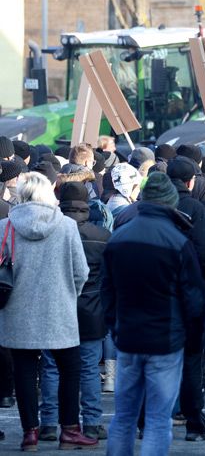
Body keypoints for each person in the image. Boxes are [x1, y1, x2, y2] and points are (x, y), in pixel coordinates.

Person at [103, 172, 205, 455]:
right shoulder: (178, 241)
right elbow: (194, 300)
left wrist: (115, 327)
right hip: (165, 340)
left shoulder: (120, 236)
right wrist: (193, 342)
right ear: (170, 203)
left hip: (129, 337)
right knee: (159, 420)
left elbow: (107, 291)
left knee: (124, 416)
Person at [0, 172, 97, 451]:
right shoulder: (66, 226)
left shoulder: (5, 226)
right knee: (70, 369)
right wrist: (69, 295)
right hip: (59, 309)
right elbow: (82, 271)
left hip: (17, 310)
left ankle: (30, 433)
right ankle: (69, 430)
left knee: (25, 371)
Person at [38, 182, 111, 442]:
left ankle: (47, 422)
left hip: (56, 307)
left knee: (51, 367)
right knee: (89, 368)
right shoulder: (101, 236)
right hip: (91, 309)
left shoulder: (48, 232)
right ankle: (91, 422)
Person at [166, 157, 205, 441]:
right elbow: (204, 247)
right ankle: (194, 421)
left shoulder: (154, 208)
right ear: (191, 181)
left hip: (160, 293)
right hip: (191, 292)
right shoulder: (195, 207)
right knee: (191, 360)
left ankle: (156, 415)